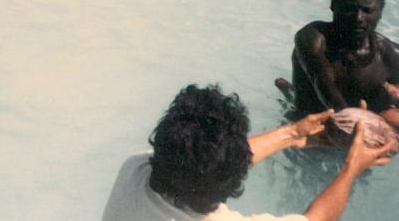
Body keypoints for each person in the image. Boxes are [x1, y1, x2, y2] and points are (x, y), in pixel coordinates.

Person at [101, 84, 394, 221]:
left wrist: (292, 133)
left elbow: (204, 160)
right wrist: (352, 167)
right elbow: (317, 218)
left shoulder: (136, 169)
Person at [282, 0, 399, 127]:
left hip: (360, 126)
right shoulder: (312, 38)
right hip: (309, 130)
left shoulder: (391, 56)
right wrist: (353, 123)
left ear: (381, 10)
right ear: (333, 3)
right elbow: (322, 80)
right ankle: (288, 91)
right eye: (349, 8)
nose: (358, 18)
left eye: (367, 10)